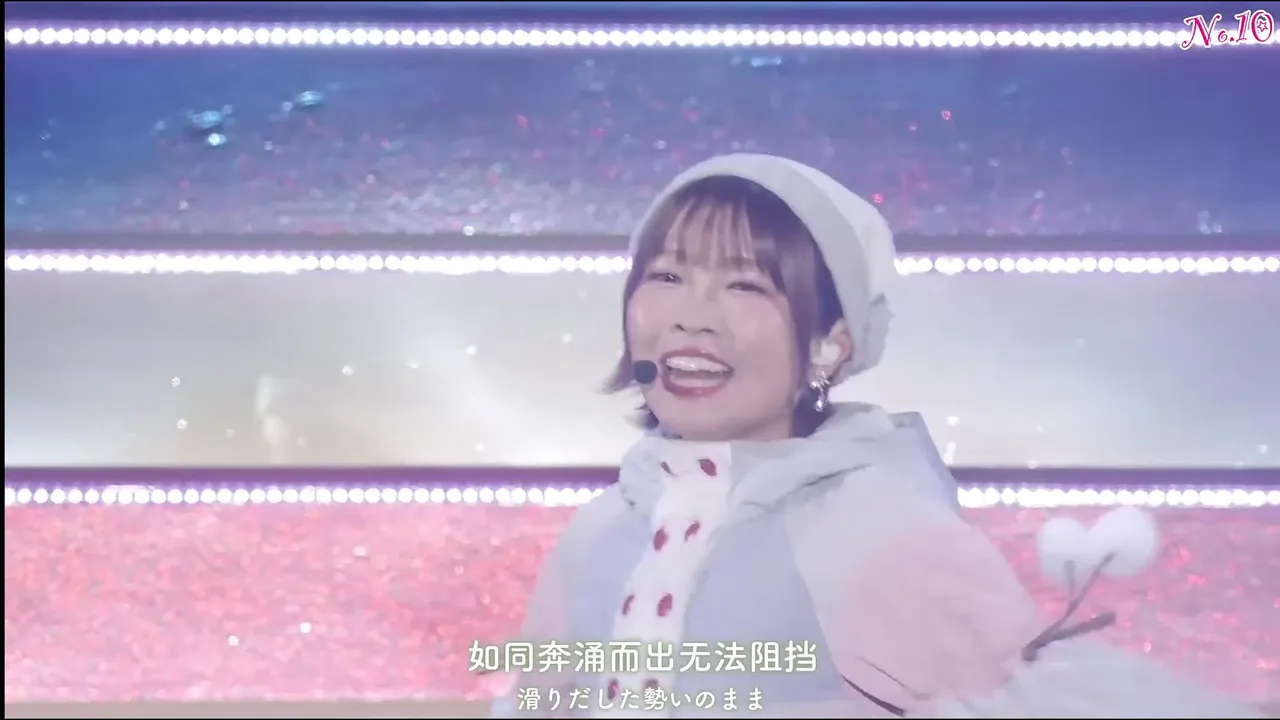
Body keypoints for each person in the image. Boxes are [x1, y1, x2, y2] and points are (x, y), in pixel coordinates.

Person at [490, 154, 1262, 718]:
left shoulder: (878, 530)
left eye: (745, 284)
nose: (693, 316)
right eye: (666, 277)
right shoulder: (598, 532)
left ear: (831, 344)